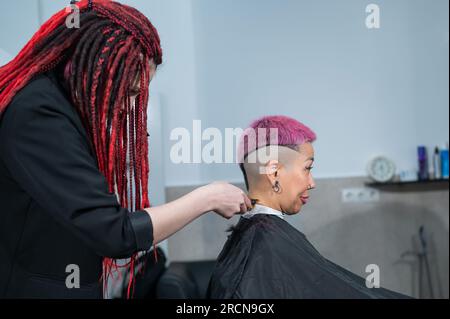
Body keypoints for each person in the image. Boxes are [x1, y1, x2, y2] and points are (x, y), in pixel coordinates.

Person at [0, 0, 251, 298]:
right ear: (95, 71)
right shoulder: (39, 114)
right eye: (130, 91)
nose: (133, 106)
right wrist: (207, 197)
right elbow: (114, 234)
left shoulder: (65, 107)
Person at [207, 115, 410, 299]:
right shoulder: (266, 242)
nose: (312, 182)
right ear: (274, 172)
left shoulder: (251, 235)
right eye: (307, 168)